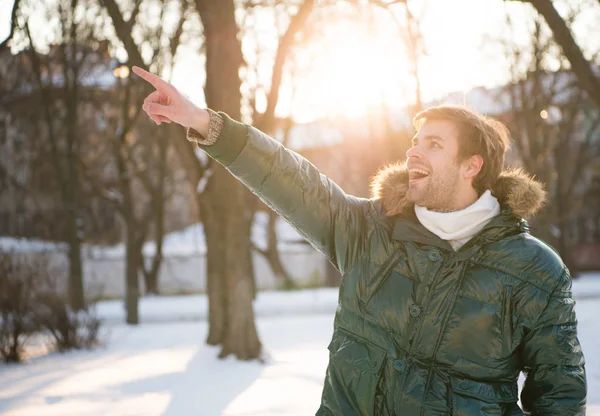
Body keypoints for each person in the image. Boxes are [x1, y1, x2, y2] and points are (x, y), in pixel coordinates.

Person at [132, 66, 587, 415]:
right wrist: (205, 122)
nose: (412, 150)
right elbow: (291, 180)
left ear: (471, 166)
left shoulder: (535, 271)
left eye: (432, 144)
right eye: (414, 140)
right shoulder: (369, 232)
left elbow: (560, 394)